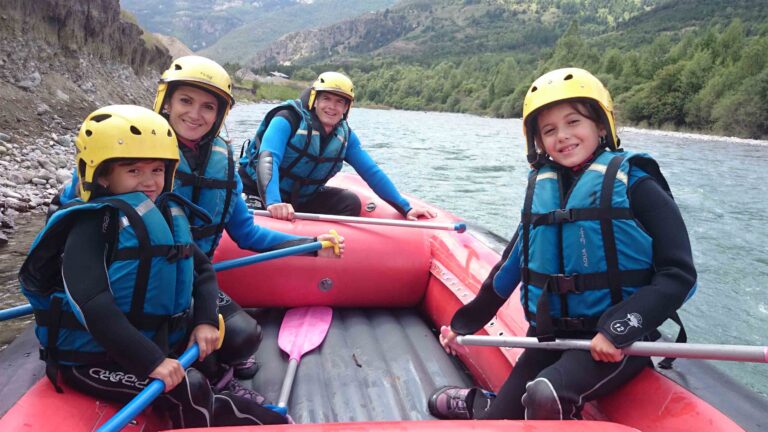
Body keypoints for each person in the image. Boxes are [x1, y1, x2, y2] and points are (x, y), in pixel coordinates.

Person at [427, 68, 697, 421]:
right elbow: (507, 273)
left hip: (620, 340)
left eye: (573, 122)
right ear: (538, 142)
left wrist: (618, 329)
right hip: (550, 336)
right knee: (496, 422)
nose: (563, 136)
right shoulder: (546, 191)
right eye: (549, 130)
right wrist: (461, 327)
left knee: (544, 393)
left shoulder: (638, 185)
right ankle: (483, 405)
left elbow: (679, 275)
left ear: (601, 126)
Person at [57, 56, 344, 384]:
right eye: (185, 101)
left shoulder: (223, 164)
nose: (195, 114)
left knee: (242, 337)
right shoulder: (124, 147)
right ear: (167, 101)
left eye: (208, 107)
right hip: (124, 283)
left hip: (191, 277)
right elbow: (76, 209)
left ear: (220, 114)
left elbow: (247, 233)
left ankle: (205, 360)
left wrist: (307, 244)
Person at [19, 105, 288, 427]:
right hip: (90, 361)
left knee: (212, 353)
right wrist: (152, 361)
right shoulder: (90, 226)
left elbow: (202, 273)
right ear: (102, 175)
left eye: (157, 171)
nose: (149, 182)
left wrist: (204, 322)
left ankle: (267, 420)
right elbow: (93, 305)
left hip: (152, 341)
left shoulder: (163, 214)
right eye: (133, 171)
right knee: (190, 386)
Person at [239, 71, 437, 221]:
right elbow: (268, 159)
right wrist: (273, 202)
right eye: (326, 98)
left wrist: (406, 208)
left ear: (346, 108)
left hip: (299, 199)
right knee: (249, 211)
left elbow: (371, 172)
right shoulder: (287, 119)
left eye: (339, 102)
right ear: (314, 100)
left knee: (349, 203)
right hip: (258, 190)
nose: (331, 107)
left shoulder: (345, 136)